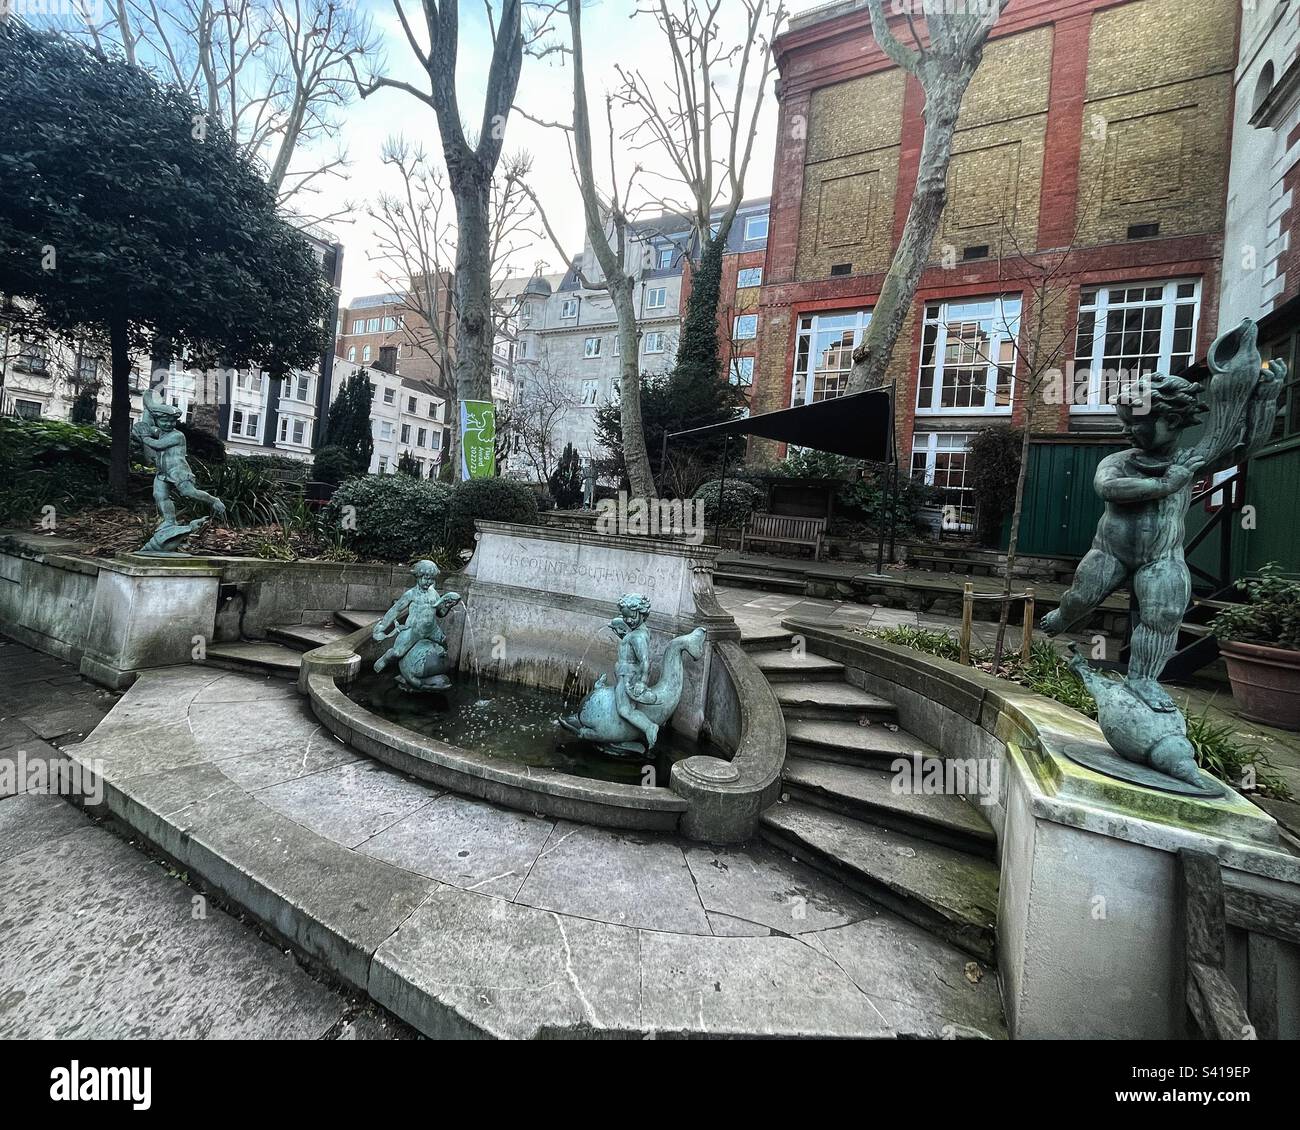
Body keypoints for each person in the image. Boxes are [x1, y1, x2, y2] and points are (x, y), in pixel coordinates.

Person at [1043, 331, 1284, 712]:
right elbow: (1109, 489)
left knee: (1164, 614)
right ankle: (1062, 616)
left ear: (1172, 420)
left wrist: (1266, 401)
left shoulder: (1190, 460)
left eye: (1134, 423)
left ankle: (1143, 681)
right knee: (1081, 599)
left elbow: (1243, 448)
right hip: (1110, 551)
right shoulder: (1121, 461)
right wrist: (1164, 484)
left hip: (1162, 557)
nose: (1126, 430)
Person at [133, 389, 226, 526]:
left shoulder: (176, 436)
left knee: (189, 492)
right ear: (158, 420)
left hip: (178, 471)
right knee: (160, 496)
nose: (168, 424)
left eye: (172, 421)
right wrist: (141, 426)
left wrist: (144, 436)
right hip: (163, 472)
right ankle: (169, 522)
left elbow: (157, 445)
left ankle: (214, 500)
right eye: (164, 421)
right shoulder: (161, 432)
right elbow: (148, 426)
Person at [374, 560, 460, 674]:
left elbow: (440, 613)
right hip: (415, 630)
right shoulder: (411, 594)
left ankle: (433, 664)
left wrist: (448, 606)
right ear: (418, 576)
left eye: (432, 579)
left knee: (444, 641)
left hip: (432, 629)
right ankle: (385, 659)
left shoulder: (433, 593)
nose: (429, 582)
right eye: (426, 578)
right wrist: (382, 626)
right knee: (397, 652)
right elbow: (396, 610)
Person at [610, 593, 660, 748]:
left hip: (629, 677)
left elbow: (645, 661)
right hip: (625, 673)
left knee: (624, 710)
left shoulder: (638, 636)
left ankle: (649, 727)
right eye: (625, 617)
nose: (628, 621)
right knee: (623, 707)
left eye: (632, 617)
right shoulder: (635, 632)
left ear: (642, 614)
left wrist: (642, 682)